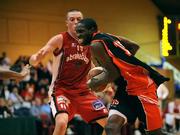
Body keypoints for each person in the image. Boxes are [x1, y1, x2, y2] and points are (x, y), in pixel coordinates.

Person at [75, 18, 170, 135]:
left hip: (142, 87)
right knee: (111, 127)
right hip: (126, 88)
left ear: (92, 30)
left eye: (81, 31)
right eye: (77, 32)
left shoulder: (96, 45)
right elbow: (134, 46)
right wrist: (124, 66)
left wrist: (89, 85)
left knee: (155, 133)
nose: (78, 35)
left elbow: (113, 73)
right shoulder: (108, 37)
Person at [29, 9, 108, 135]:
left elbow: (90, 66)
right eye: (72, 19)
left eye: (79, 19)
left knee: (111, 125)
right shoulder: (60, 39)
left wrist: (101, 79)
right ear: (67, 23)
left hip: (83, 93)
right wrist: (35, 59)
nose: (76, 22)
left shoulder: (89, 43)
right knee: (61, 123)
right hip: (61, 91)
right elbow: (40, 54)